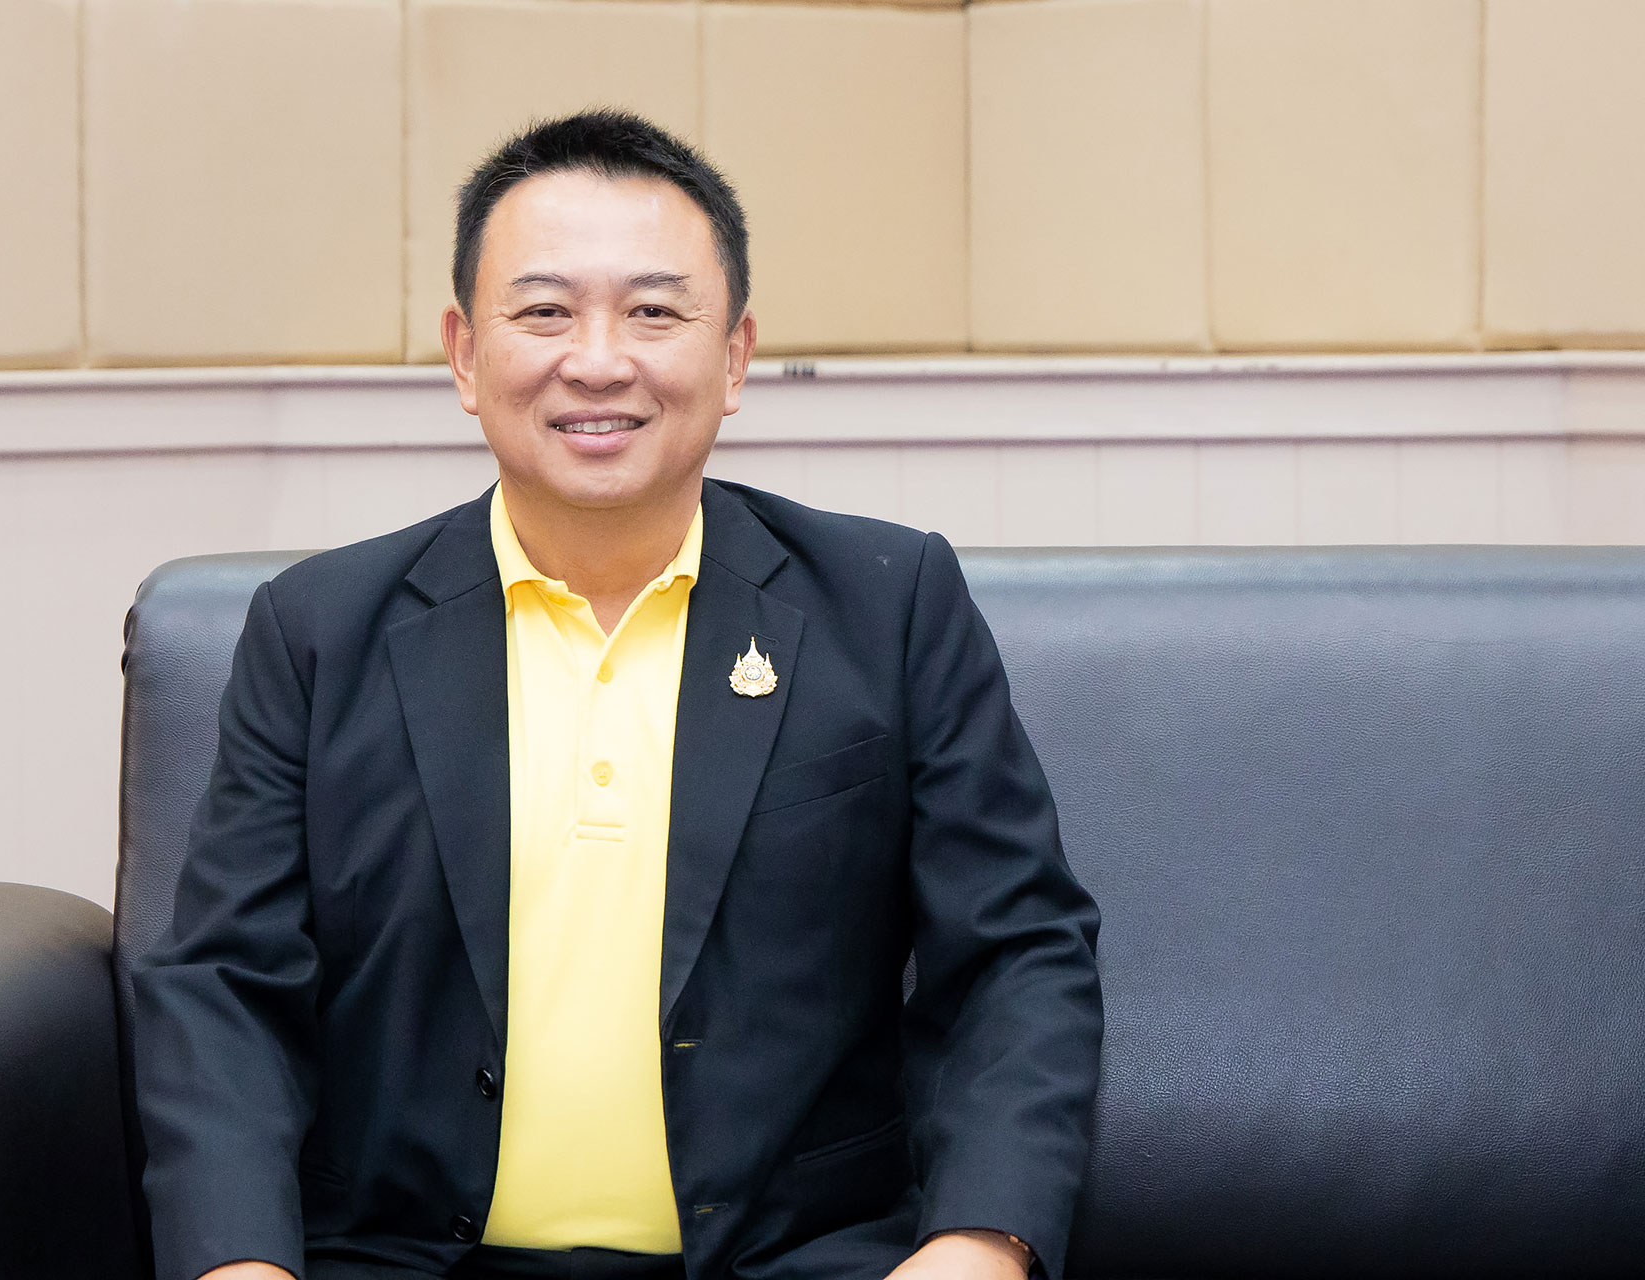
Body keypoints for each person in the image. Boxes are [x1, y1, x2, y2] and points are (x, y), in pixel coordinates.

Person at [131, 109, 1102, 1280]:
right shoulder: (318, 633)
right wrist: (237, 1265)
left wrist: (978, 1244)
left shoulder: (886, 606)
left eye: (652, 311)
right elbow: (224, 989)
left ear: (734, 357)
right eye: (544, 311)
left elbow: (1015, 952)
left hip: (794, 1257)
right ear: (462, 354)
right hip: (402, 1258)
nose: (597, 360)